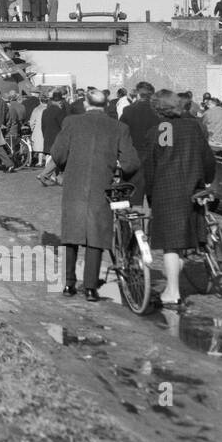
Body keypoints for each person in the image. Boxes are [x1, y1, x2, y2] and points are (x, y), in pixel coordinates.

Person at [49, 90, 141, 301]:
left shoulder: (71, 122)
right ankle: (90, 287)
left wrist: (67, 165)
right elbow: (131, 163)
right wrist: (119, 170)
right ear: (106, 104)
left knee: (71, 233)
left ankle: (69, 284)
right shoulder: (119, 127)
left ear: (86, 104)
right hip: (102, 185)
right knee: (96, 234)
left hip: (74, 185)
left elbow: (58, 154)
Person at [144, 91, 217, 308]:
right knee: (188, 235)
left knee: (171, 245)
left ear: (158, 110)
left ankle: (172, 291)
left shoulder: (155, 131)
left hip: (167, 192)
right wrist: (206, 180)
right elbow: (207, 158)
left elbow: (150, 167)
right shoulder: (194, 127)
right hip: (193, 188)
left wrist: (149, 195)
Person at [119, 81, 160, 204]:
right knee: (155, 194)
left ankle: (135, 219)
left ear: (137, 94)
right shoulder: (159, 112)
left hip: (134, 155)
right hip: (154, 156)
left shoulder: (128, 111)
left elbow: (122, 133)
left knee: (134, 193)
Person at [36, 91, 68, 184]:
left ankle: (58, 178)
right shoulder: (60, 112)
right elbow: (64, 126)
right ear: (60, 102)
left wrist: (45, 136)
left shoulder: (45, 111)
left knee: (57, 158)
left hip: (47, 137)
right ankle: (46, 174)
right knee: (60, 158)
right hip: (57, 138)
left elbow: (43, 126)